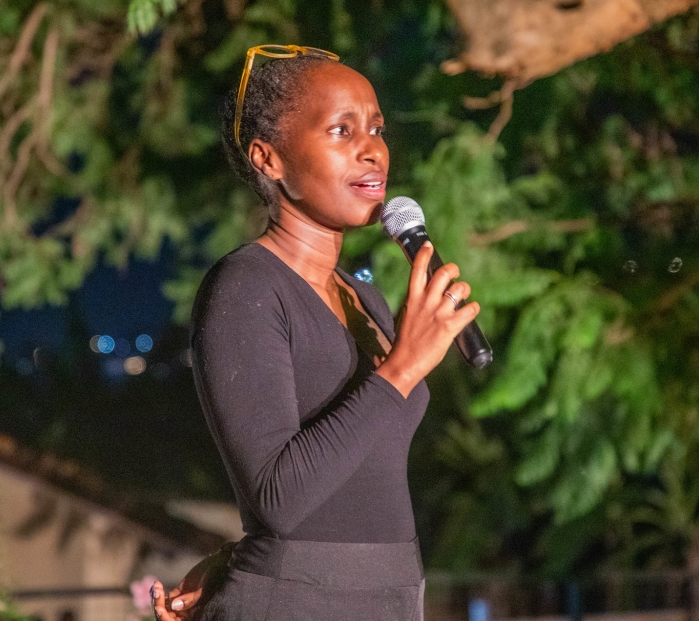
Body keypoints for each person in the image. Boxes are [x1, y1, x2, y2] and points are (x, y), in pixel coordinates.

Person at [151, 45, 480, 621]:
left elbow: (352, 476)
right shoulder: (245, 288)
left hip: (391, 597)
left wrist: (232, 557)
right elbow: (277, 497)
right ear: (268, 158)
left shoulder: (366, 298)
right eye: (341, 129)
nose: (372, 148)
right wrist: (401, 368)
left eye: (376, 128)